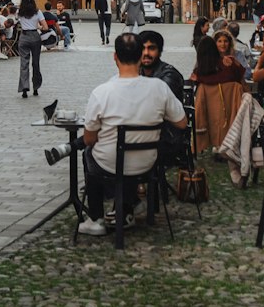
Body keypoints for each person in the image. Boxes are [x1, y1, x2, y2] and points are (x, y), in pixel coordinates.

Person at [77, 33, 187, 237]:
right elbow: (181, 122)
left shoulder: (102, 92)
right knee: (124, 156)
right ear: (140, 57)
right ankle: (125, 207)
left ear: (115, 57)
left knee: (90, 153)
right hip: (147, 162)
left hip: (109, 165)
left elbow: (89, 138)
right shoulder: (159, 88)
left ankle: (96, 218)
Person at [191, 32, 245, 151]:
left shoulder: (230, 61)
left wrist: (199, 78)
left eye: (225, 41)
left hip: (227, 100)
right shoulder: (227, 63)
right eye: (219, 41)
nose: (223, 44)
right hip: (228, 102)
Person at [138, 29, 184, 102]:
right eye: (142, 48)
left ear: (160, 51)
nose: (146, 53)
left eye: (151, 48)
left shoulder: (170, 75)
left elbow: (155, 100)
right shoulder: (137, 72)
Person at [16, 0, 45, 98]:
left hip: (24, 36)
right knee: (35, 63)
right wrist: (39, 27)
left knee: (24, 63)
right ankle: (36, 88)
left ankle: (24, 88)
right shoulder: (37, 12)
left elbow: (17, 22)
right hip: (34, 36)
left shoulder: (20, 12)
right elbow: (45, 26)